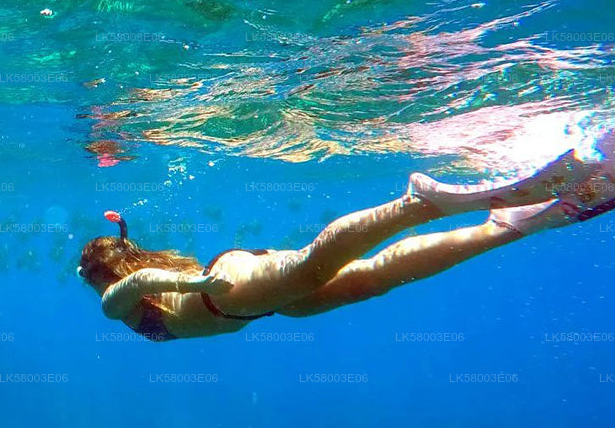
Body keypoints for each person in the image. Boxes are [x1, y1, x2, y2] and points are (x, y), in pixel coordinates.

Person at [77, 147, 615, 341]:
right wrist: (197, 282)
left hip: (228, 292)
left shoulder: (113, 305)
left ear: (97, 275)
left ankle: (420, 204)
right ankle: (517, 223)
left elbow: (141, 282)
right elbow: (144, 275)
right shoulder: (133, 282)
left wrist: (195, 284)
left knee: (316, 264)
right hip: (253, 302)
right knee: (372, 280)